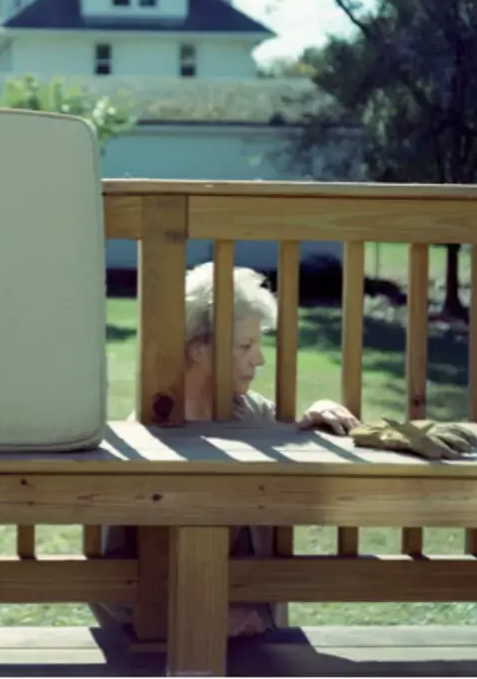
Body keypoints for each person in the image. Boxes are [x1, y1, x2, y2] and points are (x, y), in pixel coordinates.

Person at [91, 261, 360, 640]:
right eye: (246, 346)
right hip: (165, 644)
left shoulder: (256, 414)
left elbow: (301, 460)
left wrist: (320, 415)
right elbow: (109, 579)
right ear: (200, 350)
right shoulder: (147, 435)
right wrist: (196, 622)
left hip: (259, 632)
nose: (260, 359)